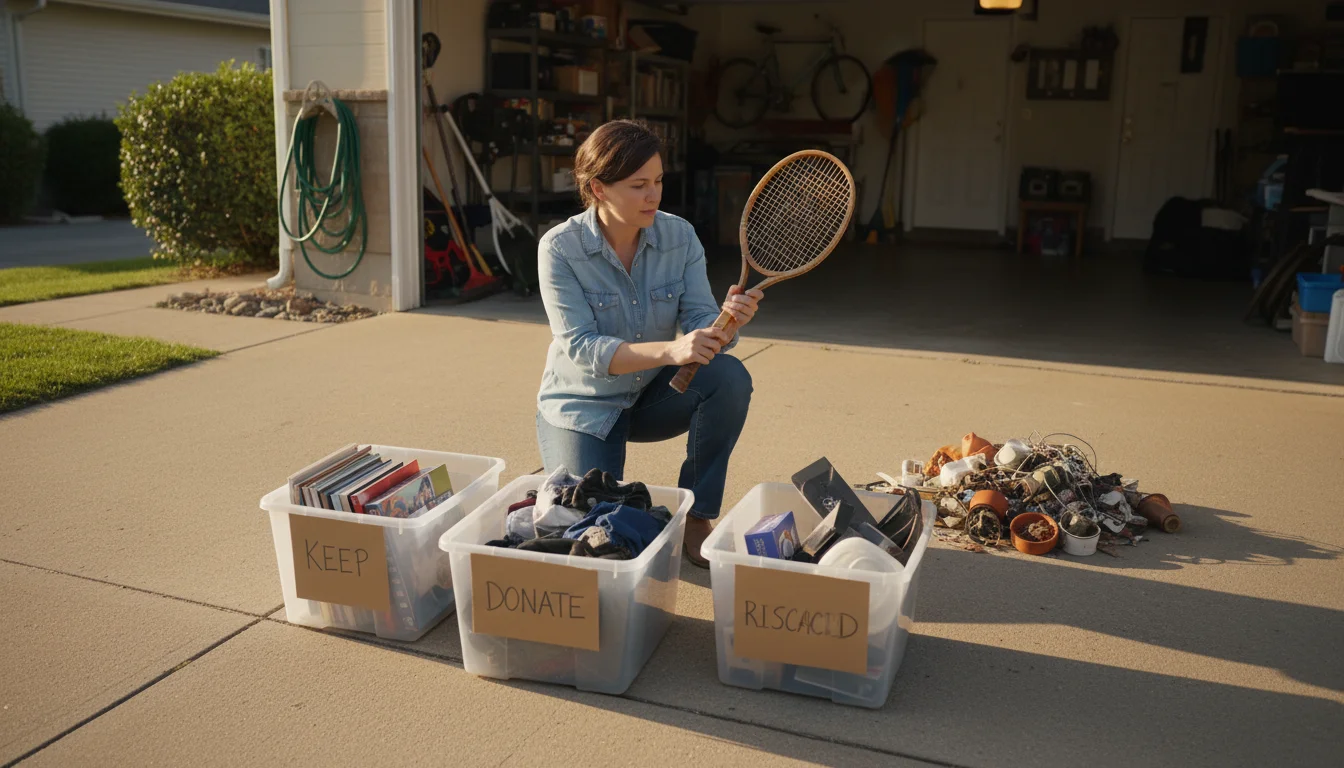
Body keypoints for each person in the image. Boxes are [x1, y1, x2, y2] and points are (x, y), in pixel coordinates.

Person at [535, 120, 763, 567]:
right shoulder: (559, 249)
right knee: (595, 531)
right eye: (638, 185)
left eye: (658, 181)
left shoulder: (678, 236)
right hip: (583, 405)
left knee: (730, 378)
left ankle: (697, 516)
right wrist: (672, 351)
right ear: (598, 189)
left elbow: (699, 321)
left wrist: (727, 323)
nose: (654, 195)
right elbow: (582, 348)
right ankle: (555, 470)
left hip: (652, 396)